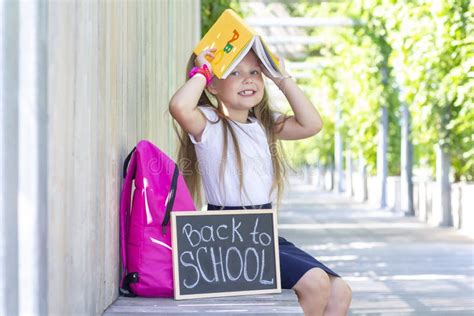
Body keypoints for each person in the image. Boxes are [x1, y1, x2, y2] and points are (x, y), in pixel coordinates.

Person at [169, 47, 352, 316]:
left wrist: (281, 78)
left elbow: (312, 124)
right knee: (315, 283)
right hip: (227, 236)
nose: (248, 79)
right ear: (213, 85)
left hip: (262, 232)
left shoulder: (264, 124)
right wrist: (202, 71)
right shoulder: (209, 124)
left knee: (340, 291)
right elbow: (179, 106)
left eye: (255, 71)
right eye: (234, 72)